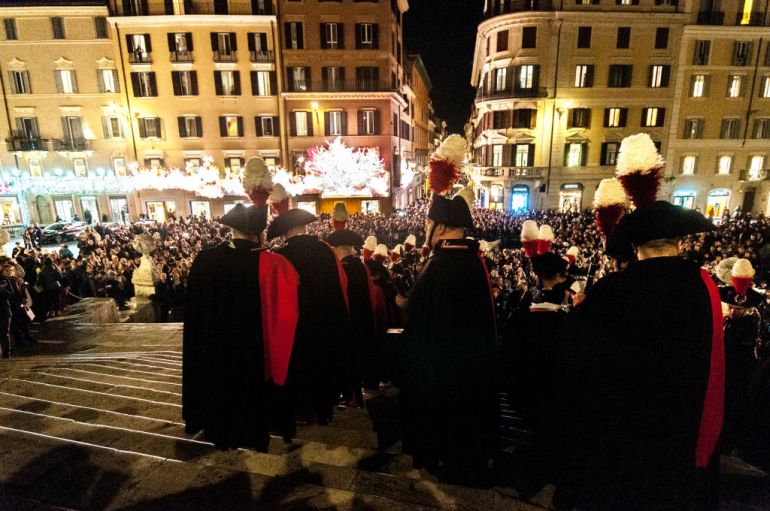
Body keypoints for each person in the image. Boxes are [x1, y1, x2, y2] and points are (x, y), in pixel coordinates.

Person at [552, 203, 722, 509]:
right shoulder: (701, 287)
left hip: (615, 431)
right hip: (675, 427)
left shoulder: (610, 289)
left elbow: (574, 356)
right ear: (679, 242)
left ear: (635, 246)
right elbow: (710, 365)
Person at [400, 187, 498, 486]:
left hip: (442, 368)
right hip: (469, 364)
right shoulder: (471, 260)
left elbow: (423, 318)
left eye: (428, 224)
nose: (425, 229)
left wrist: (404, 304)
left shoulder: (441, 264)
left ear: (441, 227)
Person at [183, 203, 299, 451]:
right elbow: (288, 316)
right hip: (253, 352)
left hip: (214, 352)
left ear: (232, 230)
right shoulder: (273, 264)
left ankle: (220, 430)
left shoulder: (205, 260)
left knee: (221, 389)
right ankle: (253, 434)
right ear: (259, 233)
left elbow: (194, 314)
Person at [267, 208, 352, 426]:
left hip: (298, 324)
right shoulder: (326, 250)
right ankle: (325, 409)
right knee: (323, 364)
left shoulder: (282, 256)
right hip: (327, 319)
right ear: (305, 226)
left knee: (302, 366)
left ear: (285, 233)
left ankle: (303, 410)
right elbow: (341, 284)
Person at [327, 228, 376, 408]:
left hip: (346, 322)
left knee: (347, 363)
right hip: (362, 321)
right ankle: (356, 397)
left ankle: (351, 398)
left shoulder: (340, 269)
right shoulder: (361, 266)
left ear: (339, 248)